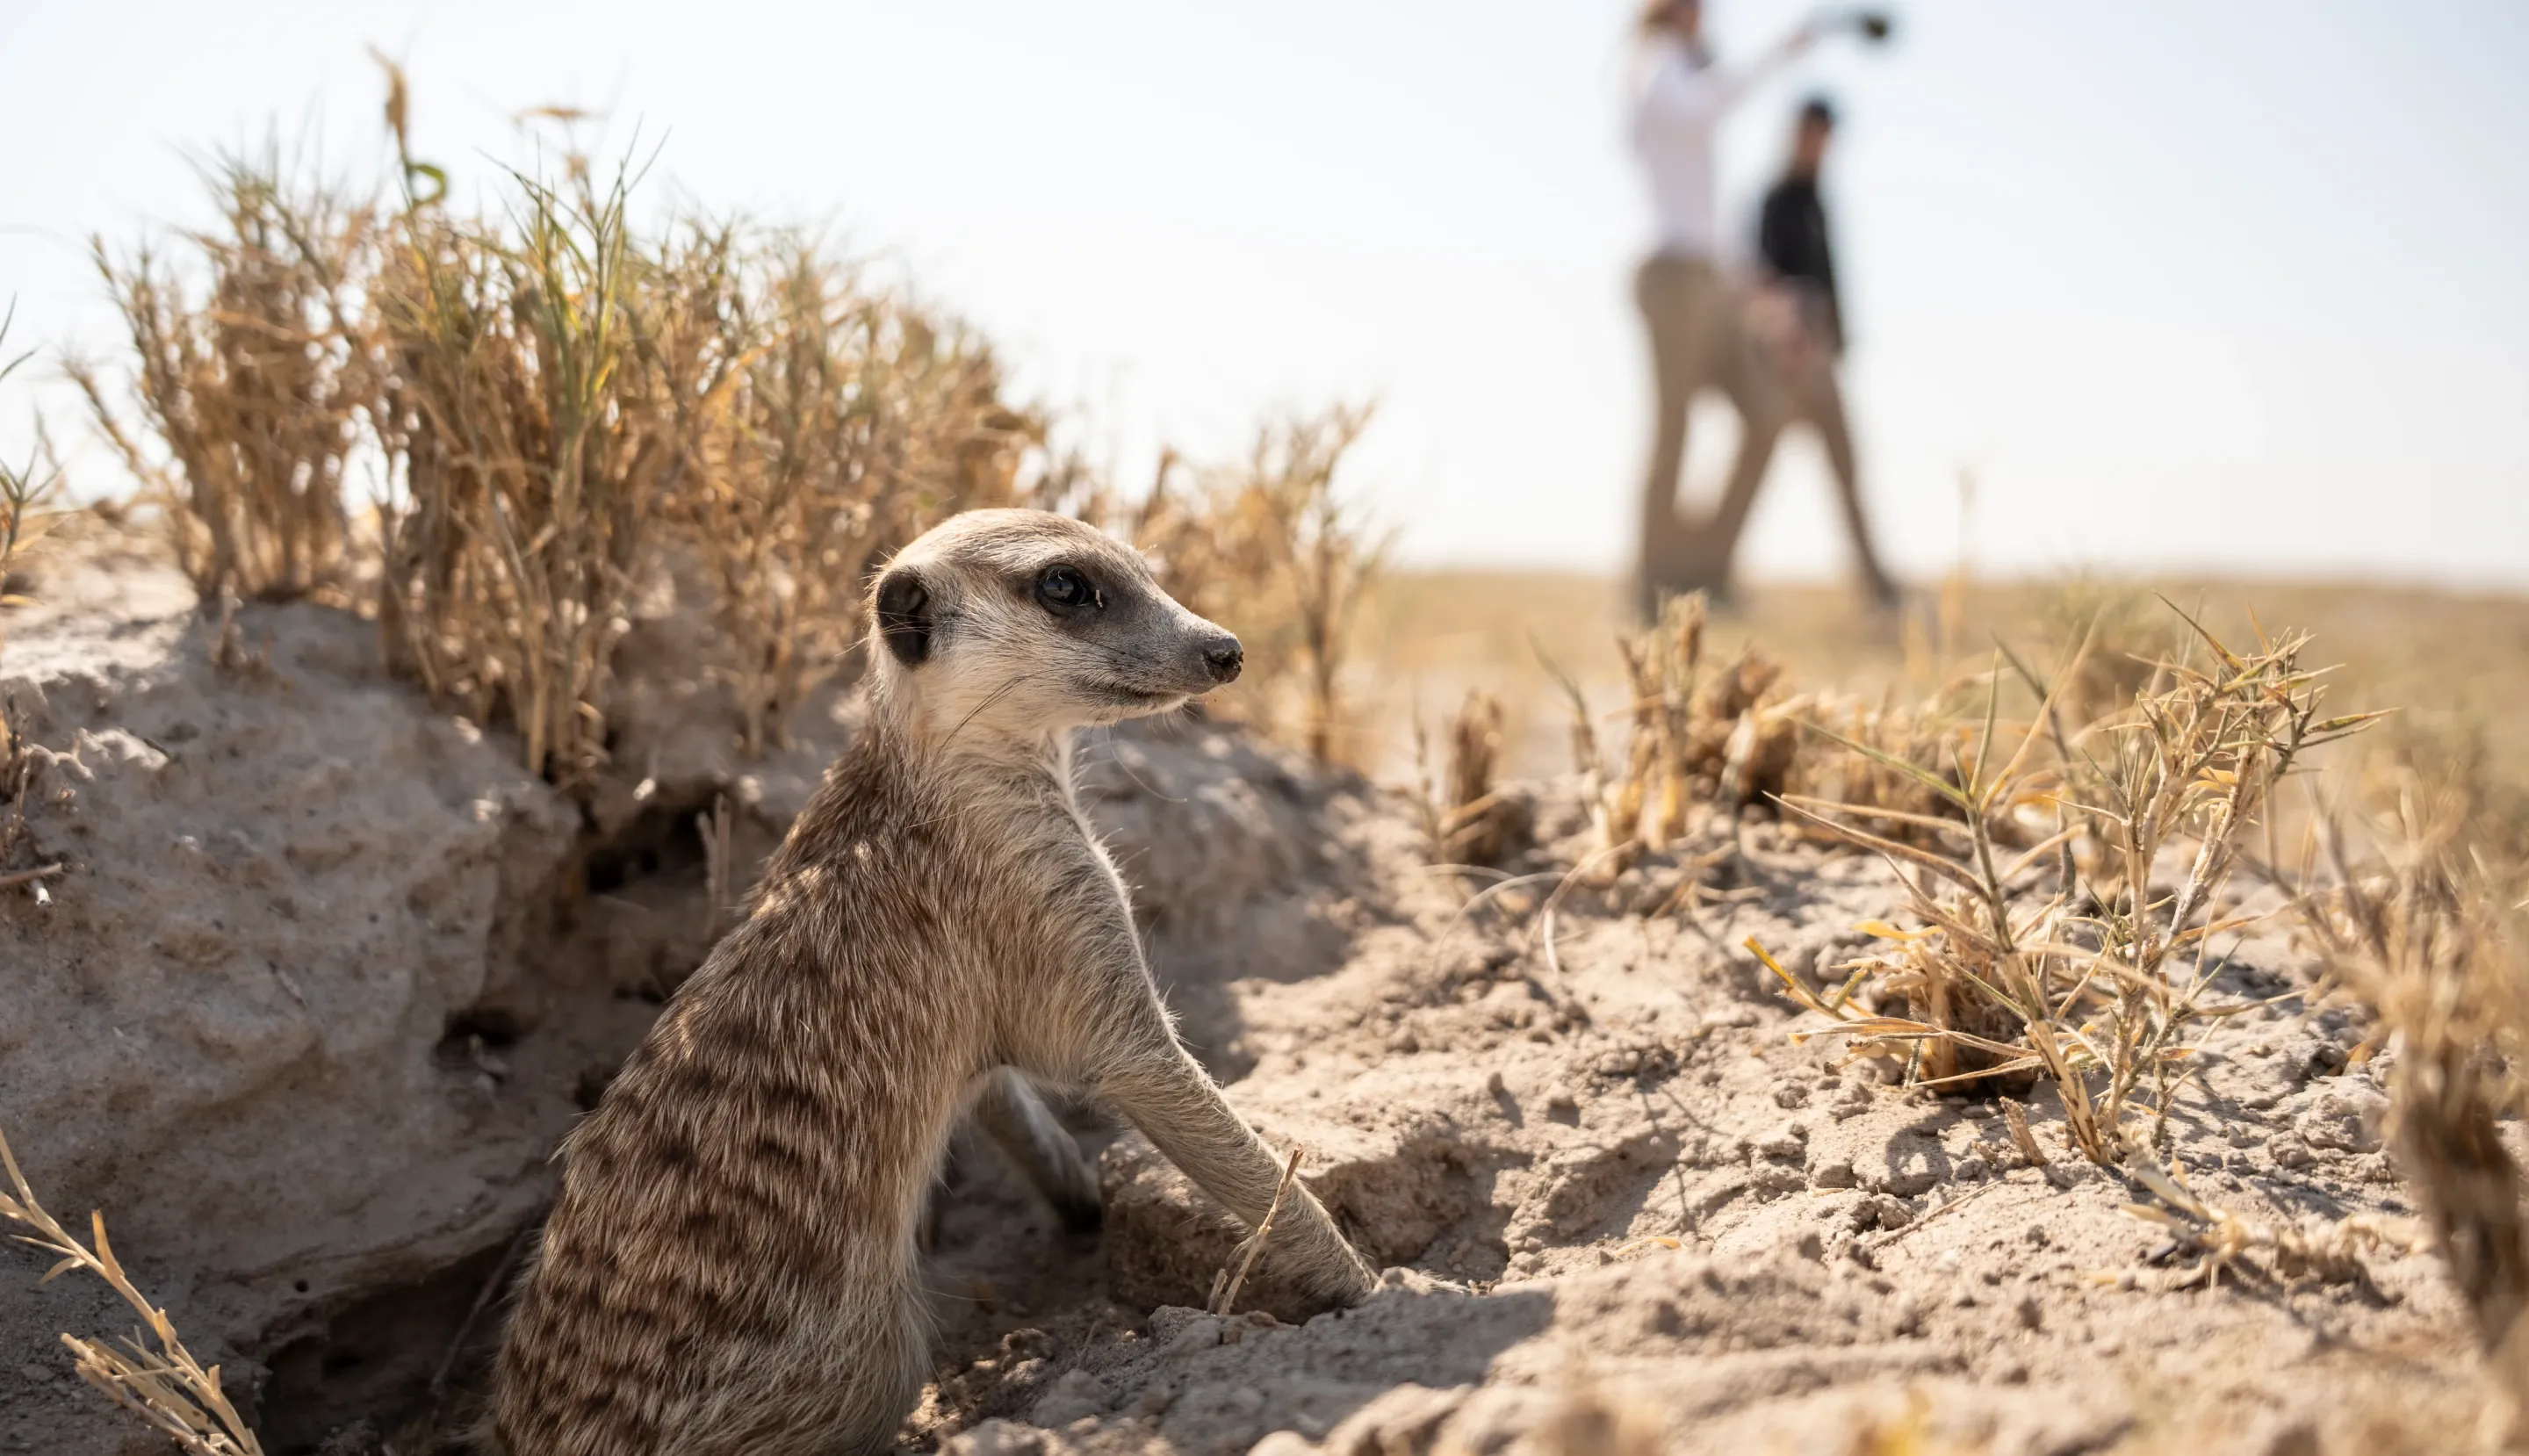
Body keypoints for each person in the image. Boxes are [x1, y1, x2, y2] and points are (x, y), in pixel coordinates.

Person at [1625, 0, 1817, 620]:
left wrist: (1760, 289)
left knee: (1767, 413)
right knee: (1673, 429)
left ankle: (1704, 569)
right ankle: (1650, 586)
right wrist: (1775, 55)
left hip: (1715, 281)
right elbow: (1699, 110)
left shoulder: (1688, 69)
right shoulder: (1655, 62)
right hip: (1673, 277)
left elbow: (1708, 206)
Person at [1719, 96, 1901, 610]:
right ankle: (1710, 573)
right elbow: (1756, 278)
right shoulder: (1775, 199)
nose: (1818, 145)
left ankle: (1878, 588)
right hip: (1781, 361)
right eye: (1811, 133)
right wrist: (1782, 332)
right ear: (1795, 133)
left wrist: (1837, 340)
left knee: (1847, 469)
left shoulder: (1819, 199)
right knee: (1753, 468)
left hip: (1820, 358)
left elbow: (1829, 280)